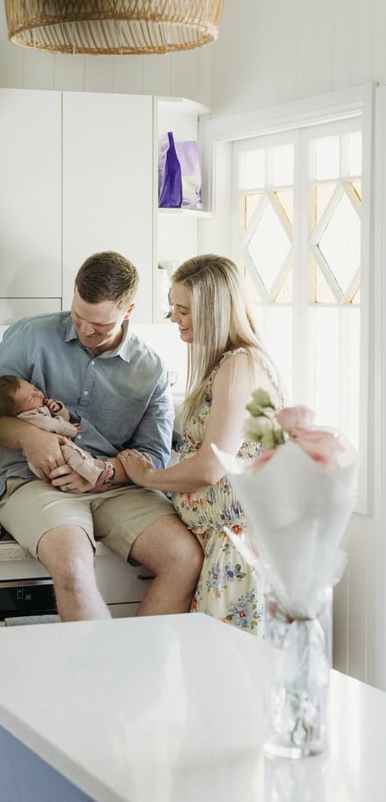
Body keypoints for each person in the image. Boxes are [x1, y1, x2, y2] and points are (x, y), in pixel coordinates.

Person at [0, 250, 203, 622]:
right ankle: (103, 679)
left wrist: (105, 471)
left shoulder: (151, 369)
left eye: (99, 326)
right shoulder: (30, 336)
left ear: (128, 312)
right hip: (34, 485)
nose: (85, 331)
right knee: (73, 567)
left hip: (119, 489)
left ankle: (132, 676)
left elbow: (154, 456)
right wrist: (33, 439)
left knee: (185, 558)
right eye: (78, 317)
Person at [119, 254, 284, 634]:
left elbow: (212, 467)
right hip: (220, 546)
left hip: (238, 555)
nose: (174, 318)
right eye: (173, 307)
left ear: (214, 311)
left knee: (224, 682)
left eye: (183, 310)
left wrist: (147, 477)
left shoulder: (240, 365)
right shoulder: (227, 365)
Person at [0, 375, 104, 486]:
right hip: (51, 456)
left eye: (35, 388)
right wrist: (72, 430)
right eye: (31, 397)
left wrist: (58, 409)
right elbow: (54, 425)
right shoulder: (29, 417)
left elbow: (64, 419)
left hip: (58, 448)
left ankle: (93, 478)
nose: (38, 394)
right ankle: (96, 478)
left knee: (81, 457)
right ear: (17, 411)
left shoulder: (38, 409)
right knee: (75, 457)